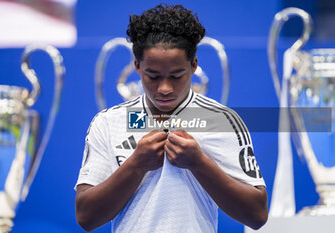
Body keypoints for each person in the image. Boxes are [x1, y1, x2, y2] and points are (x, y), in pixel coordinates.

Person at [75, 4, 268, 233]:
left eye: (176, 76)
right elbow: (86, 217)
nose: (164, 88)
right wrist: (136, 164)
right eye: (153, 76)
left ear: (194, 66)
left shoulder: (221, 120)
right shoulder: (108, 122)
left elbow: (257, 215)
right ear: (137, 67)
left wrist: (198, 162)